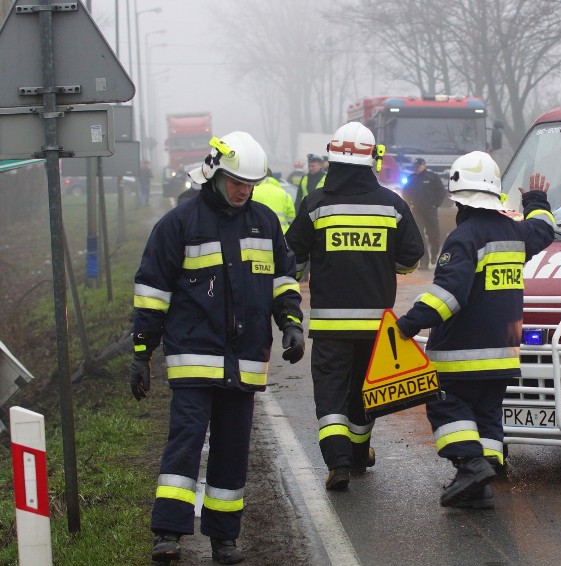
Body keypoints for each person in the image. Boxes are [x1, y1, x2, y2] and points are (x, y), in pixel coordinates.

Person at [130, 131, 305, 564]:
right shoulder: (179, 223)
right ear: (214, 174)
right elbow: (152, 293)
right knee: (185, 442)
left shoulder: (265, 222)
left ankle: (224, 539)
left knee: (232, 451)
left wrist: (291, 323)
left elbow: (283, 282)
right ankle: (168, 533)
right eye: (235, 182)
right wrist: (140, 351)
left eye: (250, 184)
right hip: (195, 356)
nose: (243, 190)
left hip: (245, 361)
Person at [395, 151, 555, 509]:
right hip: (504, 354)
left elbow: (449, 296)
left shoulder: (464, 238)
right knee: (486, 415)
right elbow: (543, 230)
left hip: (461, 354)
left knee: (446, 405)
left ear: (457, 196)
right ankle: (480, 486)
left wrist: (410, 322)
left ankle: (470, 466)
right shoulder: (515, 231)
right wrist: (536, 200)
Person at [285, 121, 424, 491]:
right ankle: (360, 454)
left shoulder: (315, 205)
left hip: (331, 327)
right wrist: (383, 263)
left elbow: (292, 260)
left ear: (331, 160)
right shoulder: (392, 205)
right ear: (370, 162)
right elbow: (412, 257)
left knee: (331, 392)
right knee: (366, 391)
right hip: (376, 326)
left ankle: (339, 463)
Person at [405, 157, 445, 268]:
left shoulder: (432, 177)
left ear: (424, 165)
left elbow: (441, 192)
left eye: (419, 166)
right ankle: (424, 261)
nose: (417, 168)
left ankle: (434, 254)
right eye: (415, 167)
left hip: (430, 210)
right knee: (419, 236)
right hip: (417, 210)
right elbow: (405, 192)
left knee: (434, 235)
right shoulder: (411, 178)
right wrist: (409, 204)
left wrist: (435, 204)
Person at [252, 168, 296, 233]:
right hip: (281, 235)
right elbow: (291, 219)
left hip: (258, 234)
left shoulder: (252, 192)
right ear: (271, 177)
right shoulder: (285, 194)